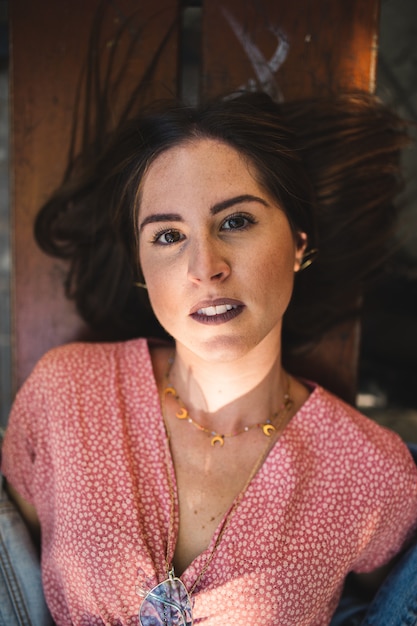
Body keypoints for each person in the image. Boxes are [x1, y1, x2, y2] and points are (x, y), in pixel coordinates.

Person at [2, 90, 417, 626]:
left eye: (236, 221)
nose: (206, 266)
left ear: (297, 242)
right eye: (169, 235)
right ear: (140, 267)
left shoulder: (374, 472)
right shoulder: (66, 392)